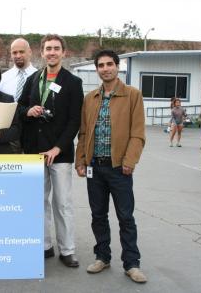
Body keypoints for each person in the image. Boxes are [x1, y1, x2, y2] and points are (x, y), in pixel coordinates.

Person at [75, 50, 147, 283]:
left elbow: (138, 134)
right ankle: (102, 257)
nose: (105, 68)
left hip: (119, 169)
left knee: (126, 216)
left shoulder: (132, 96)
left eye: (109, 64)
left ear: (118, 67)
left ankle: (132, 263)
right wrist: (81, 160)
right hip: (95, 167)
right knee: (98, 215)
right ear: (96, 69)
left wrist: (129, 162)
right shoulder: (90, 98)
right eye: (101, 65)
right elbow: (84, 132)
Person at [18, 34, 84, 268]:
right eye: (48, 49)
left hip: (60, 153)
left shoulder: (73, 83)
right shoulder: (34, 79)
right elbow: (20, 108)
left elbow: (75, 120)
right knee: (38, 201)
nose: (52, 52)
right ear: (42, 53)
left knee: (62, 203)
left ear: (63, 53)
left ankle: (67, 249)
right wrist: (29, 111)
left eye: (56, 48)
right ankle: (44, 245)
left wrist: (58, 147)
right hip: (35, 151)